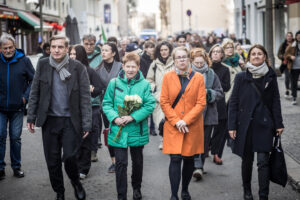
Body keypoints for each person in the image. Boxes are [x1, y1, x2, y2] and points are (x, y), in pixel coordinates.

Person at [27, 35, 92, 200]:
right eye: (53, 47)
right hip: (50, 120)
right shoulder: (43, 64)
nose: (56, 50)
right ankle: (59, 192)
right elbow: (35, 92)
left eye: (60, 47)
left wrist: (86, 123)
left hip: (71, 120)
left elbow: (85, 97)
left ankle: (75, 181)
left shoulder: (77, 68)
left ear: (67, 49)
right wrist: (31, 117)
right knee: (52, 161)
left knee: (69, 156)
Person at [228, 44, 284, 200]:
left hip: (265, 124)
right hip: (245, 124)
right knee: (247, 160)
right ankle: (247, 191)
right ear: (249, 58)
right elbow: (233, 102)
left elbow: (275, 101)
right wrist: (231, 126)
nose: (257, 56)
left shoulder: (270, 75)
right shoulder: (241, 77)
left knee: (263, 162)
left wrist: (278, 123)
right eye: (253, 54)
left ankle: (263, 195)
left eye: (260, 54)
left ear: (265, 57)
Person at [102, 52, 155, 200]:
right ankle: (121, 195)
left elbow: (150, 105)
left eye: (133, 67)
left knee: (137, 162)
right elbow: (106, 104)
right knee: (121, 164)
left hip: (136, 129)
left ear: (138, 67)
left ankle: (136, 188)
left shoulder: (144, 84)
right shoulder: (114, 83)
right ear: (123, 66)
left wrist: (132, 117)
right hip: (118, 129)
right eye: (128, 66)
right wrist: (115, 118)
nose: (130, 70)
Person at [160, 46, 206, 200]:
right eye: (178, 57)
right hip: (173, 126)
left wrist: (185, 121)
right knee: (175, 159)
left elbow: (201, 103)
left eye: (184, 57)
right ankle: (174, 194)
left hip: (191, 126)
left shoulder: (198, 77)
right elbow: (164, 102)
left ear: (189, 59)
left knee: (188, 159)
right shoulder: (167, 77)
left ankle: (185, 190)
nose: (181, 60)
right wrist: (177, 121)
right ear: (174, 60)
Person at [0, 33, 35, 180]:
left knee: (15, 138)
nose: (8, 50)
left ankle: (16, 167)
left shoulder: (24, 61)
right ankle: (0, 168)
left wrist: (25, 97)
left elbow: (33, 80)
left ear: (15, 46)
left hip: (17, 108)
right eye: (5, 48)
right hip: (0, 108)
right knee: (0, 137)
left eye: (11, 47)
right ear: (0, 49)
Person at [69, 45, 104, 180]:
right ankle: (74, 166)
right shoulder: (66, 70)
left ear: (81, 55)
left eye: (74, 54)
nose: (72, 56)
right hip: (70, 110)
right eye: (70, 54)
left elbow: (99, 88)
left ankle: (83, 168)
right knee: (71, 140)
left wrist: (91, 89)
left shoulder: (89, 71)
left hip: (85, 109)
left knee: (85, 139)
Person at [190, 48, 223, 180]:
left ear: (206, 61)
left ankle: (199, 167)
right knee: (192, 141)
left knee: (203, 142)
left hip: (208, 115)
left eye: (201, 62)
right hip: (191, 114)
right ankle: (193, 165)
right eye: (196, 63)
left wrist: (208, 93)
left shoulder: (211, 74)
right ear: (192, 61)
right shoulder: (188, 73)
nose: (199, 65)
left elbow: (220, 92)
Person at [95, 42, 122, 172]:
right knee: (109, 132)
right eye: (102, 50)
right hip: (105, 106)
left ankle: (122, 158)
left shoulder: (121, 67)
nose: (103, 53)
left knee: (121, 132)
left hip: (121, 104)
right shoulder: (98, 69)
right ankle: (114, 161)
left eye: (106, 50)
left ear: (114, 53)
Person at [146, 41, 174, 150]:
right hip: (159, 97)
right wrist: (155, 90)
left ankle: (170, 140)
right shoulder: (154, 64)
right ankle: (163, 139)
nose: (163, 52)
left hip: (174, 97)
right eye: (161, 50)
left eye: (165, 49)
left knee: (171, 120)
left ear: (170, 50)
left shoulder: (175, 62)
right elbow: (149, 80)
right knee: (160, 121)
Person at [208, 44, 231, 165]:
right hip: (206, 102)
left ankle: (216, 154)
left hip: (220, 102)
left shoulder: (225, 69)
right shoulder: (206, 68)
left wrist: (216, 81)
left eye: (218, 52)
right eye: (214, 52)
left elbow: (227, 87)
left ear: (222, 55)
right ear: (210, 54)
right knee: (206, 128)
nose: (216, 53)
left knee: (220, 129)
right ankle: (206, 147)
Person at [222, 39, 243, 103]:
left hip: (241, 92)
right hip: (229, 94)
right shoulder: (222, 62)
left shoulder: (238, 58)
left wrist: (243, 65)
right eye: (227, 47)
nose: (230, 49)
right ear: (223, 50)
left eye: (231, 47)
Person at [284, 30, 300, 105]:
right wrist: (290, 56)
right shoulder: (292, 45)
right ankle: (294, 97)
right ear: (296, 37)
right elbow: (285, 55)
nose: (299, 37)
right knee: (294, 83)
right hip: (294, 67)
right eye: (298, 36)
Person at [278, 32, 294, 98]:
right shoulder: (283, 44)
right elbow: (279, 54)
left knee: (293, 78)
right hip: (286, 64)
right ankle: (287, 90)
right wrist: (283, 57)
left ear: (292, 37)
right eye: (288, 36)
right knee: (287, 77)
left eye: (290, 36)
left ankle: (293, 91)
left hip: (294, 63)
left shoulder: (295, 44)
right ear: (286, 37)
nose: (289, 37)